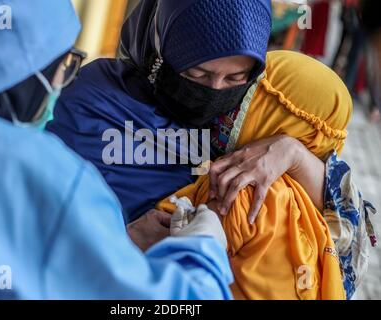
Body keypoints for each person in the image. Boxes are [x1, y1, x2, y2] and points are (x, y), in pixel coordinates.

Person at [47, 0, 376, 299]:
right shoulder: (92, 104)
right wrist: (119, 241)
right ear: (159, 49)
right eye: (196, 73)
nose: (214, 92)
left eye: (235, 78)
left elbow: (343, 233)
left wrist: (292, 154)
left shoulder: (251, 117)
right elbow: (24, 232)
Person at [0, 0, 233, 299]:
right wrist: (202, 251)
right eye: (63, 65)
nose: (64, 81)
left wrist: (109, 241)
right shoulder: (34, 171)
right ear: (27, 70)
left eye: (235, 78)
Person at [158, 50, 365, 300]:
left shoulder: (240, 190)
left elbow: (175, 282)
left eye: (245, 101)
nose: (222, 101)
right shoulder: (312, 205)